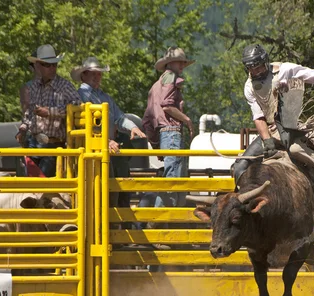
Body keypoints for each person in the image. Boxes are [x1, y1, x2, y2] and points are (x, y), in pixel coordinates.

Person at [231, 44, 314, 197]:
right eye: (252, 69)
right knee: (239, 167)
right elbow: (258, 116)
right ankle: (246, 200)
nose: (255, 71)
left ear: (265, 62)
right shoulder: (249, 87)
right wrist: (267, 140)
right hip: (269, 129)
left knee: (294, 149)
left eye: (258, 67)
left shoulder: (285, 70)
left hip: (288, 123)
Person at [71, 56, 146, 212]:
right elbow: (89, 125)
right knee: (106, 189)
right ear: (83, 75)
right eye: (93, 73)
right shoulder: (80, 96)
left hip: (109, 147)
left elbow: (119, 117)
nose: (97, 77)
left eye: (99, 74)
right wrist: (105, 141)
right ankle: (109, 226)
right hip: (94, 151)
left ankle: (120, 225)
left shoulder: (105, 97)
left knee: (119, 187)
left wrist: (132, 127)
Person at [142, 46, 195, 208]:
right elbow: (167, 105)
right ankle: (159, 221)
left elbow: (147, 120)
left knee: (171, 179)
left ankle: (159, 221)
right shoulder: (171, 78)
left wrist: (156, 144)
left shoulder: (154, 87)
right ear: (169, 64)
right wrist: (187, 120)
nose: (181, 65)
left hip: (164, 137)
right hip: (172, 134)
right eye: (178, 62)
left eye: (182, 62)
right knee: (173, 182)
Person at [20, 44, 81, 177]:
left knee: (43, 187)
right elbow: (29, 113)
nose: (52, 68)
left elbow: (78, 107)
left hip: (53, 145)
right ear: (38, 66)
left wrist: (50, 112)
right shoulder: (34, 86)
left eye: (54, 65)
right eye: (48, 65)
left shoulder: (64, 86)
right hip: (33, 143)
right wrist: (23, 128)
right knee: (29, 187)